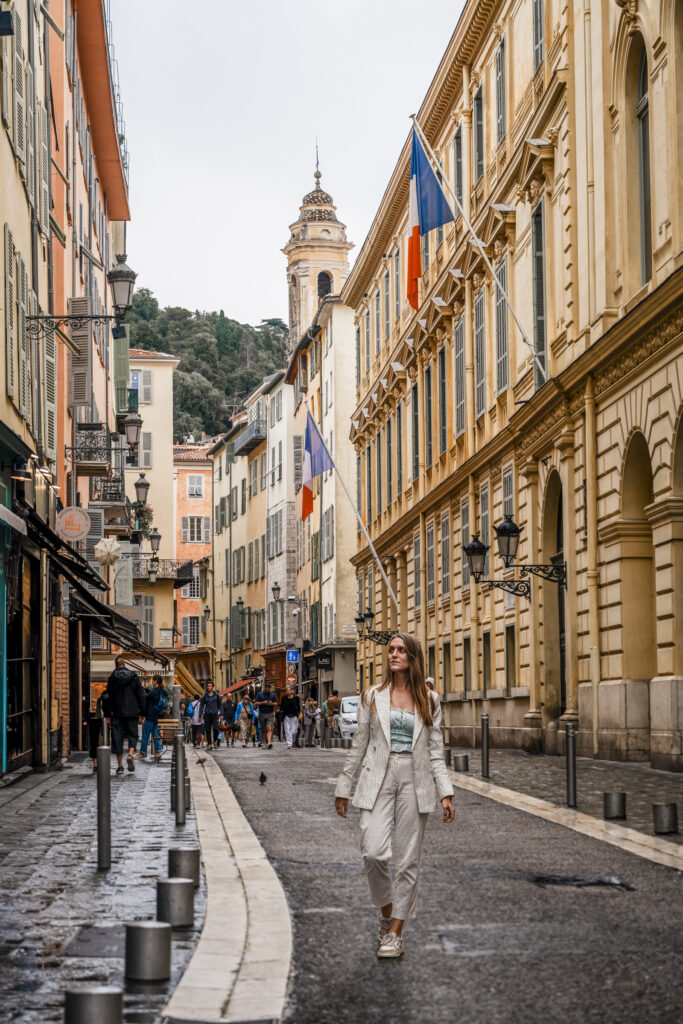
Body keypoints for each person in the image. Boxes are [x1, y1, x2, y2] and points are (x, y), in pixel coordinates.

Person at [334, 633, 455, 959]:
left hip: (415, 781)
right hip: (378, 777)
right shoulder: (373, 695)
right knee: (373, 852)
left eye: (401, 650)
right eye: (391, 650)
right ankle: (387, 913)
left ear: (413, 657)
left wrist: (446, 793)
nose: (394, 655)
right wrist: (344, 786)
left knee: (407, 860)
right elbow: (359, 744)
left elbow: (434, 751)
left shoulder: (429, 701)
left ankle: (395, 933)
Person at [105, 655, 146, 775]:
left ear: (116, 665)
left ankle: (120, 766)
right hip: (132, 712)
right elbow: (141, 695)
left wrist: (108, 714)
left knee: (118, 738)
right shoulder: (134, 677)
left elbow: (108, 697)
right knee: (133, 735)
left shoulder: (112, 678)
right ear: (124, 664)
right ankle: (130, 754)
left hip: (117, 713)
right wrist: (142, 712)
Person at [139, 676, 169, 762]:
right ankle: (158, 752)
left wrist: (142, 688)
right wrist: (147, 689)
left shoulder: (154, 692)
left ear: (155, 681)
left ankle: (142, 752)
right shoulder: (163, 691)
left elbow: (146, 697)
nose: (152, 682)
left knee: (145, 735)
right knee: (156, 735)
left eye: (153, 680)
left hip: (150, 717)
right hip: (158, 717)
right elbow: (152, 697)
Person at [199, 681, 222, 750]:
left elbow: (220, 705)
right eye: (208, 686)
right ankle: (209, 744)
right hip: (207, 715)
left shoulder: (217, 696)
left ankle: (215, 741)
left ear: (213, 687)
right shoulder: (204, 696)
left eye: (210, 686)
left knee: (215, 729)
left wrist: (221, 714)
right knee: (208, 730)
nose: (209, 687)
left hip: (215, 715)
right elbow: (201, 706)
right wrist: (200, 715)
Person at [254, 683, 278, 749]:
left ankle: (269, 743)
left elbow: (276, 703)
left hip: (270, 713)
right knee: (263, 729)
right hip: (262, 713)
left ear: (270, 688)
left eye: (268, 688)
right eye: (266, 688)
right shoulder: (259, 694)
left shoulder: (273, 695)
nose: (267, 689)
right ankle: (264, 742)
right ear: (264, 688)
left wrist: (271, 703)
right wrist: (263, 702)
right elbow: (256, 703)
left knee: (269, 727)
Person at [87, 692, 106, 773]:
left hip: (97, 722)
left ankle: (96, 765)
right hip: (99, 722)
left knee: (94, 742)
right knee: (95, 742)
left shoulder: (100, 700)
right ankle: (97, 765)